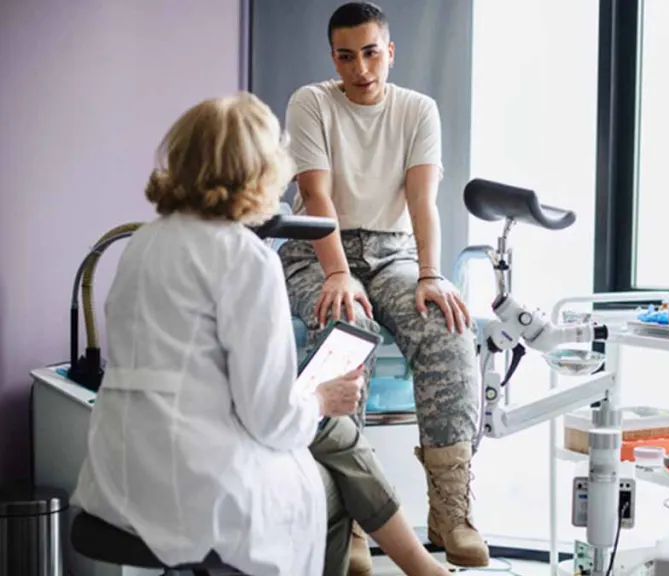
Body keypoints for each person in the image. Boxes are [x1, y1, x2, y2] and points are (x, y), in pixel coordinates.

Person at [70, 93, 449, 576]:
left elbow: (191, 374)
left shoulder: (142, 243)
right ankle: (421, 566)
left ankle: (421, 568)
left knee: (328, 440)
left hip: (122, 479)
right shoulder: (244, 258)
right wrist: (322, 399)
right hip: (196, 489)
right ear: (262, 170)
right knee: (330, 491)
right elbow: (272, 421)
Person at [278, 1, 488, 570]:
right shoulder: (312, 102)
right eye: (347, 57)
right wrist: (338, 272)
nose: (361, 69)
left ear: (389, 52)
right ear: (333, 58)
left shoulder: (418, 110)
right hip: (318, 249)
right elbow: (316, 198)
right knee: (349, 330)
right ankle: (348, 519)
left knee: (447, 325)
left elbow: (423, 201)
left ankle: (450, 513)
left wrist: (430, 273)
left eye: (371, 53)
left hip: (394, 253)